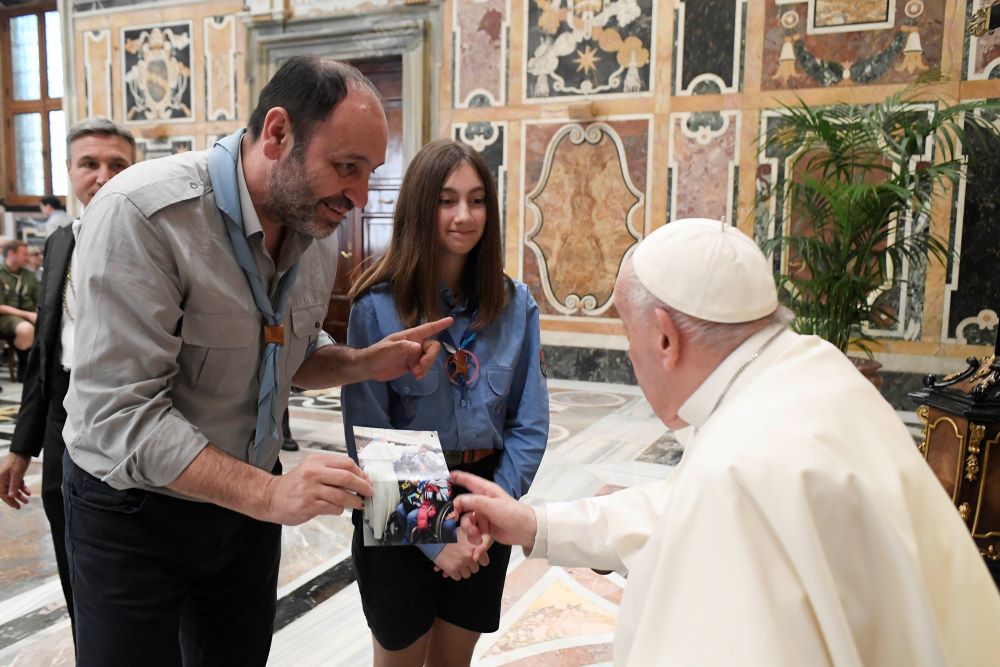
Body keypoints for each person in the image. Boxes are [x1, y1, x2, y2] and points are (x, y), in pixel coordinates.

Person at [454, 218, 1000, 666]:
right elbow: (678, 507)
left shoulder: (739, 467)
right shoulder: (808, 367)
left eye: (628, 334)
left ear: (665, 338)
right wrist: (537, 525)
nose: (631, 353)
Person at [55, 57, 451, 667]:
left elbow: (285, 348)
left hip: (242, 517)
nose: (359, 195)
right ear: (277, 134)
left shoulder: (313, 228)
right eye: (346, 167)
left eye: (369, 172)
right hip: (135, 515)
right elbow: (122, 416)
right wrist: (270, 494)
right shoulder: (143, 215)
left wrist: (364, 363)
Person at [343, 139, 548, 667]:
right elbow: (371, 433)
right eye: (447, 200)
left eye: (477, 200)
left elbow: (529, 423)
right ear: (419, 207)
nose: (464, 215)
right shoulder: (378, 307)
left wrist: (488, 512)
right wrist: (435, 539)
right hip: (401, 509)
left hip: (484, 501)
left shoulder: (515, 305)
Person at [0, 117, 136, 647]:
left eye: (117, 165)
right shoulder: (59, 243)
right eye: (89, 164)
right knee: (73, 564)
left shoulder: (160, 242)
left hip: (131, 422)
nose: (103, 176)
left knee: (130, 576)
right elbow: (46, 356)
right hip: (63, 421)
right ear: (70, 173)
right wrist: (21, 447)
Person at [0, 239, 41, 379]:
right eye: (24, 254)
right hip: (5, 317)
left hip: (29, 314)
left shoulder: (28, 275)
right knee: (26, 329)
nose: (27, 258)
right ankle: (24, 369)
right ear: (11, 254)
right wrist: (28, 315)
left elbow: (39, 299)